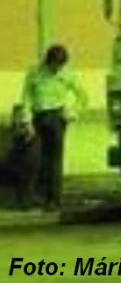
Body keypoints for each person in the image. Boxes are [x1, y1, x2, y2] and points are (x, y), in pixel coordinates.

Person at [17, 44, 89, 211]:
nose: (57, 69)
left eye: (60, 65)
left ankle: (53, 200)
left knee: (54, 161)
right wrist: (27, 121)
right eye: (54, 65)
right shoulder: (34, 71)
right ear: (48, 61)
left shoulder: (67, 74)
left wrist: (72, 113)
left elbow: (83, 96)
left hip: (57, 118)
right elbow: (26, 96)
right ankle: (29, 199)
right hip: (37, 117)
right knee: (33, 159)